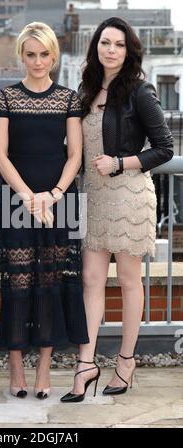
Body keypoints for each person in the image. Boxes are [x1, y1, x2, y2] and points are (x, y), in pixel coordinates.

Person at [61, 16, 173, 403]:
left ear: (129, 51)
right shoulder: (85, 89)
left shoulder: (140, 91)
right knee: (91, 279)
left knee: (128, 281)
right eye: (105, 43)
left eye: (119, 44)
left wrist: (121, 162)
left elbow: (165, 147)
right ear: (95, 47)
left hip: (128, 196)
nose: (111, 50)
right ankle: (86, 364)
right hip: (94, 197)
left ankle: (126, 361)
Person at [0, 22, 89, 399]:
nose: (37, 61)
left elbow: (75, 154)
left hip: (59, 203)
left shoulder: (68, 99)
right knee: (17, 283)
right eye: (30, 54)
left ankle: (44, 369)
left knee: (50, 283)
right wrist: (30, 197)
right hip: (14, 201)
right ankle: (16, 366)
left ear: (54, 55)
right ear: (21, 55)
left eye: (44, 54)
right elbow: (0, 156)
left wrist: (53, 194)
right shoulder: (6, 98)